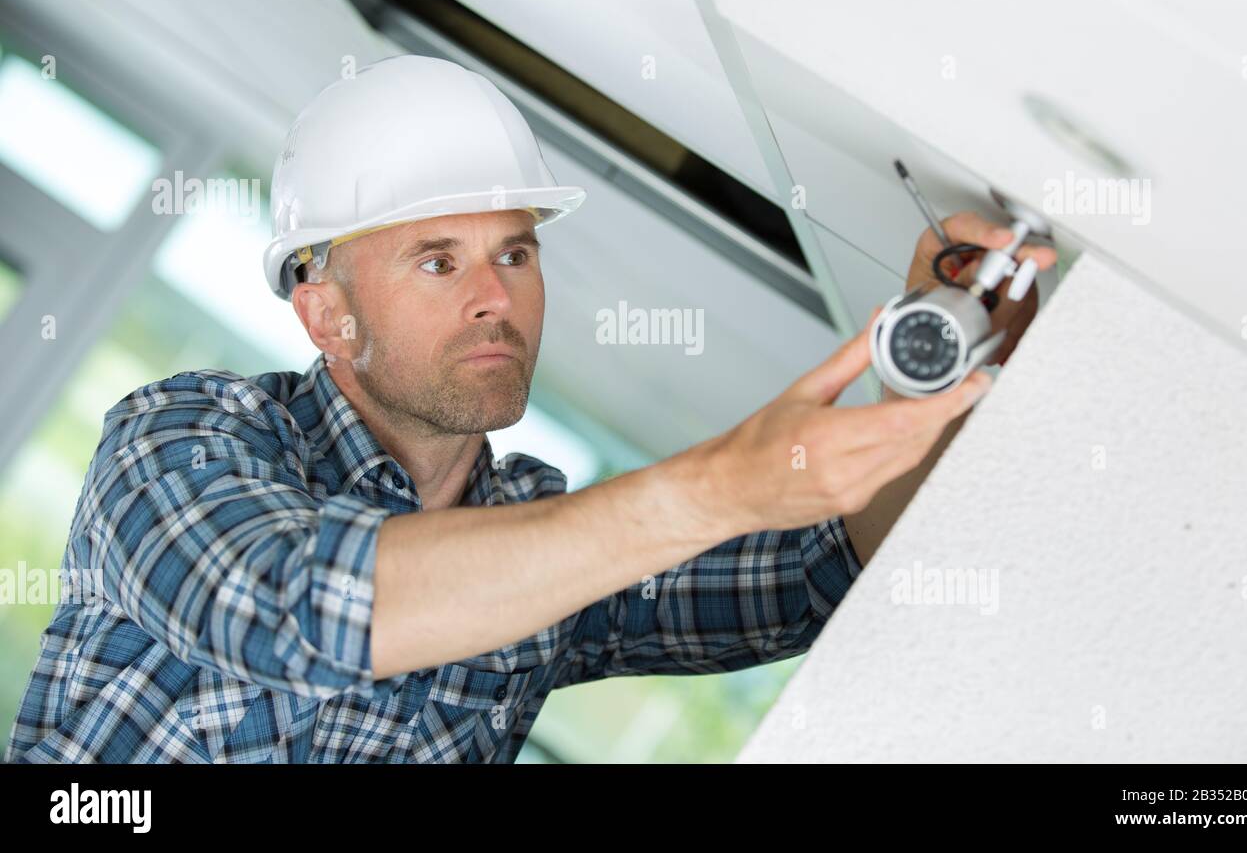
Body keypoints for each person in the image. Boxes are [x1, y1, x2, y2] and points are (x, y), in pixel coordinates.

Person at [4, 56, 1055, 762]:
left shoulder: (538, 542)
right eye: (436, 259)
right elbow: (295, 609)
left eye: (514, 251)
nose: (493, 295)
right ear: (326, 311)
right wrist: (713, 484)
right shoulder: (180, 439)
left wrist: (943, 358)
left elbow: (822, 568)